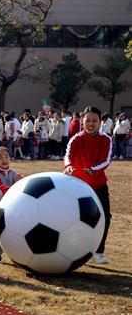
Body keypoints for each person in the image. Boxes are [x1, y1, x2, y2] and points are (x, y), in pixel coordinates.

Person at [64, 106, 112, 264]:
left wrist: (93, 170)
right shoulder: (76, 138)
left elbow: (106, 160)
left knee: (104, 217)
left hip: (98, 185)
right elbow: (68, 156)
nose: (91, 123)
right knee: (73, 217)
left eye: (95, 121)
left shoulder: (106, 139)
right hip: (77, 186)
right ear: (82, 122)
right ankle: (73, 249)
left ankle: (98, 252)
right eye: (88, 120)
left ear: (100, 122)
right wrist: (68, 166)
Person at [0, 147, 22, 265]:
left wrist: (20, 183)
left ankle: (17, 255)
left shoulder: (15, 174)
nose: (4, 159)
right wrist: (15, 187)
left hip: (10, 206)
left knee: (15, 230)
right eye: (0, 157)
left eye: (6, 156)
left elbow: (23, 186)